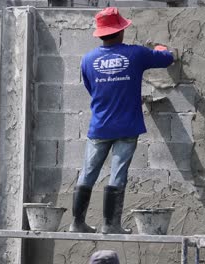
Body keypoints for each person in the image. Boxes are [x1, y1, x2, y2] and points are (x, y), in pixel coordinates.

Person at [69, 7, 174, 234]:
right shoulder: (136, 54)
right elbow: (167, 59)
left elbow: (92, 89)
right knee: (118, 173)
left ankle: (77, 223)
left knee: (87, 172)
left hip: (99, 126)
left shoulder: (88, 60)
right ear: (120, 31)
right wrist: (161, 48)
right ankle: (110, 224)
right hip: (127, 126)